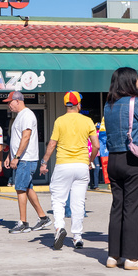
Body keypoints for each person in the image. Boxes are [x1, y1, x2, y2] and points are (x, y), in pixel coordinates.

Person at [102, 67, 138, 270]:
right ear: (130, 82)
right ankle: (132, 257)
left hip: (113, 159)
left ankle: (113, 255)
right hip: (133, 159)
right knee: (133, 208)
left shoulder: (108, 105)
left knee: (118, 206)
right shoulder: (136, 103)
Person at [41, 92, 99, 250]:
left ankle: (59, 227)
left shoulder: (59, 121)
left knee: (58, 200)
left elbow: (52, 144)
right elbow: (96, 145)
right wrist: (90, 160)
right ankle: (78, 237)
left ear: (66, 105)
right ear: (78, 104)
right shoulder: (87, 121)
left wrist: (44, 162)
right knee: (78, 203)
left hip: (63, 165)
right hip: (81, 166)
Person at [5, 91, 52, 234]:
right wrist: (9, 156)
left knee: (20, 189)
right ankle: (43, 217)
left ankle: (23, 223)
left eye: (10, 102)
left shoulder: (26, 115)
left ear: (17, 101)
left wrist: (17, 157)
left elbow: (26, 137)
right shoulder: (19, 116)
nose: (8, 105)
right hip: (22, 158)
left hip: (25, 159)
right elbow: (16, 139)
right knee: (27, 188)